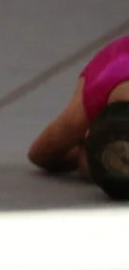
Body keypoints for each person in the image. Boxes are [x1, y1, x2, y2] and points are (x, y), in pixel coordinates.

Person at [28, 35, 129, 200]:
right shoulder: (78, 116)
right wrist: (90, 159)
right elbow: (38, 155)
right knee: (88, 164)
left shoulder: (82, 114)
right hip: (113, 69)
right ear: (88, 133)